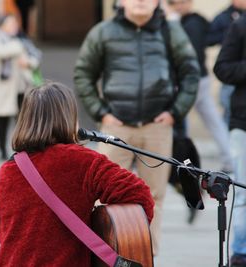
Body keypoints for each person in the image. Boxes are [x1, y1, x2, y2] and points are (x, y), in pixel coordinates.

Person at [74, 0, 199, 255]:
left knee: (154, 197)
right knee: (103, 195)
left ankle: (147, 256)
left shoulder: (170, 31)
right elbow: (83, 74)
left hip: (157, 127)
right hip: (115, 130)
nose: (140, 1)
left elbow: (190, 73)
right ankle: (106, 256)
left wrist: (175, 112)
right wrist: (101, 112)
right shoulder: (104, 31)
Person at [0, 81, 154, 266]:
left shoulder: (6, 171)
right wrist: (114, 237)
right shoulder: (82, 161)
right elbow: (140, 196)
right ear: (68, 118)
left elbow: (5, 232)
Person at [167, 0, 232, 173]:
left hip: (191, 79)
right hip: (197, 79)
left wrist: (173, 24)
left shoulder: (193, 23)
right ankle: (228, 159)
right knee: (212, 121)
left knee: (184, 123)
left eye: (181, 2)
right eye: (173, 3)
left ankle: (185, 162)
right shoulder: (189, 21)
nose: (178, 6)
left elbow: (189, 54)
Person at [214, 10, 246, 267]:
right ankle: (241, 252)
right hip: (244, 124)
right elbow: (222, 68)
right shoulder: (240, 26)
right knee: (244, 191)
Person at [0, 14, 40, 160]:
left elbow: (35, 57)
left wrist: (28, 63)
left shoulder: (22, 39)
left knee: (23, 118)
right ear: (2, 25)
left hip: (21, 86)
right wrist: (17, 47)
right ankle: (2, 149)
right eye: (10, 23)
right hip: (3, 86)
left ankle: (21, 146)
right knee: (2, 118)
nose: (13, 26)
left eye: (15, 23)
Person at [207, 0, 245, 126]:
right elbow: (208, 37)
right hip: (236, 79)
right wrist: (227, 36)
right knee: (227, 106)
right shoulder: (225, 17)